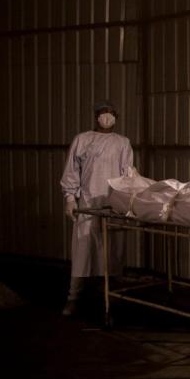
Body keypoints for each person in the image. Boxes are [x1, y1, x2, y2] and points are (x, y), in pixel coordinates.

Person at [59, 100, 134, 316]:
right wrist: (70, 197)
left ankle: (108, 300)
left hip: (112, 202)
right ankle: (73, 298)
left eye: (111, 113)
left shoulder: (122, 143)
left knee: (111, 251)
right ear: (96, 116)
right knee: (83, 250)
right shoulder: (82, 140)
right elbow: (72, 171)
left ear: (116, 118)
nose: (107, 117)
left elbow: (127, 175)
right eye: (103, 113)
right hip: (88, 202)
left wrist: (128, 200)